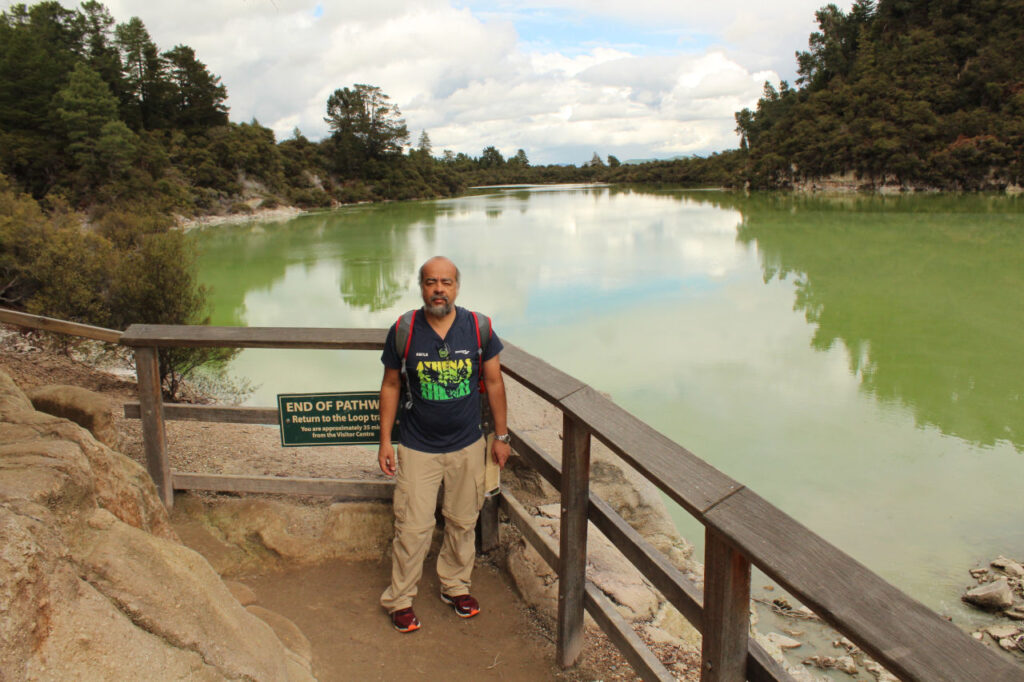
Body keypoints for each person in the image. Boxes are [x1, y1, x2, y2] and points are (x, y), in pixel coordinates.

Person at [377, 255, 512, 633]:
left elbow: (496, 383)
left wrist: (501, 437)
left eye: (446, 282)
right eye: (431, 282)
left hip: (468, 444)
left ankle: (454, 586)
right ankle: (400, 598)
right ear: (421, 287)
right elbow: (390, 385)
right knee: (412, 526)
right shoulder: (404, 329)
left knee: (462, 521)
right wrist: (386, 441)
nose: (439, 289)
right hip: (418, 446)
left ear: (457, 286)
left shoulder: (478, 327)